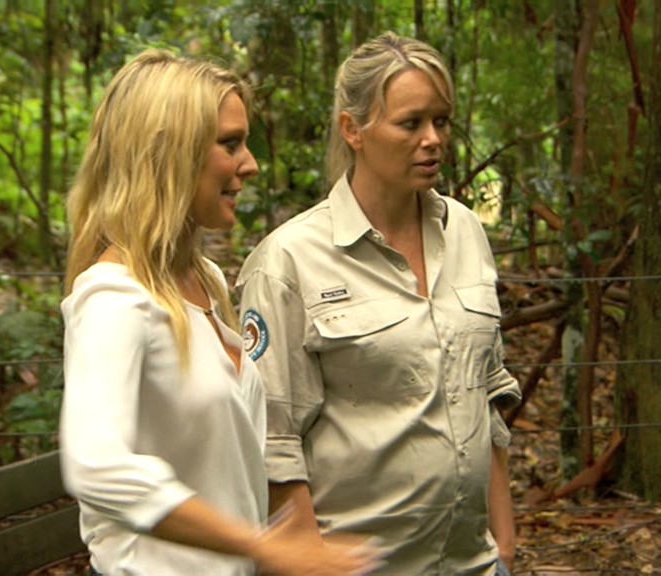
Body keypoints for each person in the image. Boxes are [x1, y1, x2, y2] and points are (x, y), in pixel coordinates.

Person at [59, 49, 378, 576]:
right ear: (168, 154)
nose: (250, 164)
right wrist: (262, 546)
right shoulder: (114, 299)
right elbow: (96, 465)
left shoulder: (203, 279)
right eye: (230, 144)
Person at [236, 32, 522, 575]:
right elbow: (273, 439)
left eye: (441, 121)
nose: (433, 139)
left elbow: (486, 391)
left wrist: (503, 542)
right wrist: (311, 561)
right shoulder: (289, 260)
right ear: (354, 129)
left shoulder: (464, 230)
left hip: (475, 564)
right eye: (411, 123)